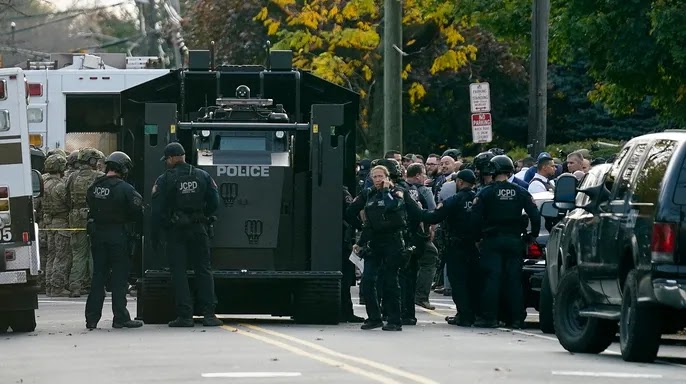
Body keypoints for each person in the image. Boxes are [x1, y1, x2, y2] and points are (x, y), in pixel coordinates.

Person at [150, 142, 223, 327]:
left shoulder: (165, 179)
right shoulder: (203, 175)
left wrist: (159, 231)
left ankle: (185, 316)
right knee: (204, 270)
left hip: (176, 231)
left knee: (179, 273)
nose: (166, 162)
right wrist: (203, 216)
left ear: (172, 158)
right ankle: (209, 315)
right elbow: (215, 202)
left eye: (167, 159)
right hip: (199, 229)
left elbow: (157, 210)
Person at [346, 164, 420, 331]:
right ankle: (374, 318)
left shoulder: (396, 191)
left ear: (387, 177)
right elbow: (350, 212)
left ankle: (394, 319)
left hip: (393, 241)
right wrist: (362, 229)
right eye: (375, 176)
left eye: (381, 176)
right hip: (374, 241)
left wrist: (386, 191)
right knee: (367, 281)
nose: (378, 179)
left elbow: (393, 206)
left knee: (390, 281)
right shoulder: (368, 193)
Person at [471, 155, 540, 329]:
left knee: (492, 279)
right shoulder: (521, 191)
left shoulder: (486, 192)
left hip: (492, 241)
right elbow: (535, 215)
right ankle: (516, 318)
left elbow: (475, 218)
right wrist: (532, 236)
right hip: (514, 240)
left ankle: (490, 317)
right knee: (514, 280)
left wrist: (477, 239)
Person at [84, 151, 143, 329]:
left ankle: (91, 319)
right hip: (118, 237)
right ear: (123, 169)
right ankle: (120, 317)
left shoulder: (95, 186)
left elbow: (89, 204)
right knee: (119, 278)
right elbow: (138, 210)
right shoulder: (125, 189)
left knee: (98, 276)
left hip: (98, 236)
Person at [422, 169, 479, 327]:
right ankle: (475, 313)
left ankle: (464, 315)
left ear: (460, 182)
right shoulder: (480, 198)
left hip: (457, 246)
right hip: (477, 246)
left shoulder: (454, 200)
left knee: (458, 282)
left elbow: (434, 216)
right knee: (474, 281)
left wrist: (416, 211)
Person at [66, 148, 105, 297]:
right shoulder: (99, 176)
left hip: (75, 217)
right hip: (93, 217)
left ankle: (75, 286)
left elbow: (66, 197)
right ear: (92, 161)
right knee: (94, 252)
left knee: (78, 253)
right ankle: (94, 285)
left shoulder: (72, 177)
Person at [41, 154, 71, 297]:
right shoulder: (60, 186)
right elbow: (68, 203)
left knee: (50, 255)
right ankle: (57, 287)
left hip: (48, 224)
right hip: (61, 224)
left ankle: (48, 286)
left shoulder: (43, 183)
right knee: (61, 255)